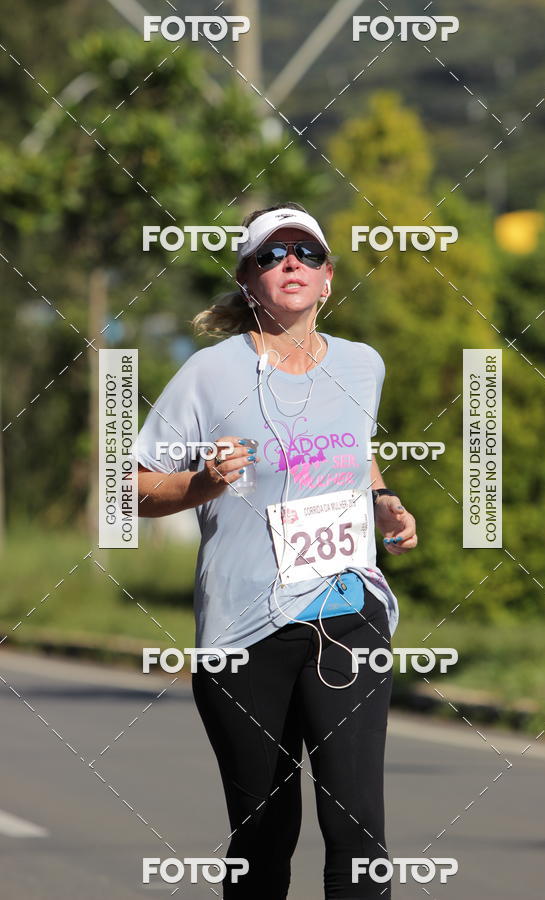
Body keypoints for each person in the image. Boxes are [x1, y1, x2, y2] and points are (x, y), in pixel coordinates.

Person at [134, 202, 418, 898]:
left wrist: (383, 502)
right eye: (271, 255)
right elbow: (131, 490)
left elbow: (356, 451)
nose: (291, 264)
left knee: (357, 831)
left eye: (308, 254)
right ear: (247, 282)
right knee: (264, 838)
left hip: (348, 614)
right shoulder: (208, 375)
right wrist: (201, 482)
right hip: (243, 631)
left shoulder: (362, 365)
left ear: (327, 281)